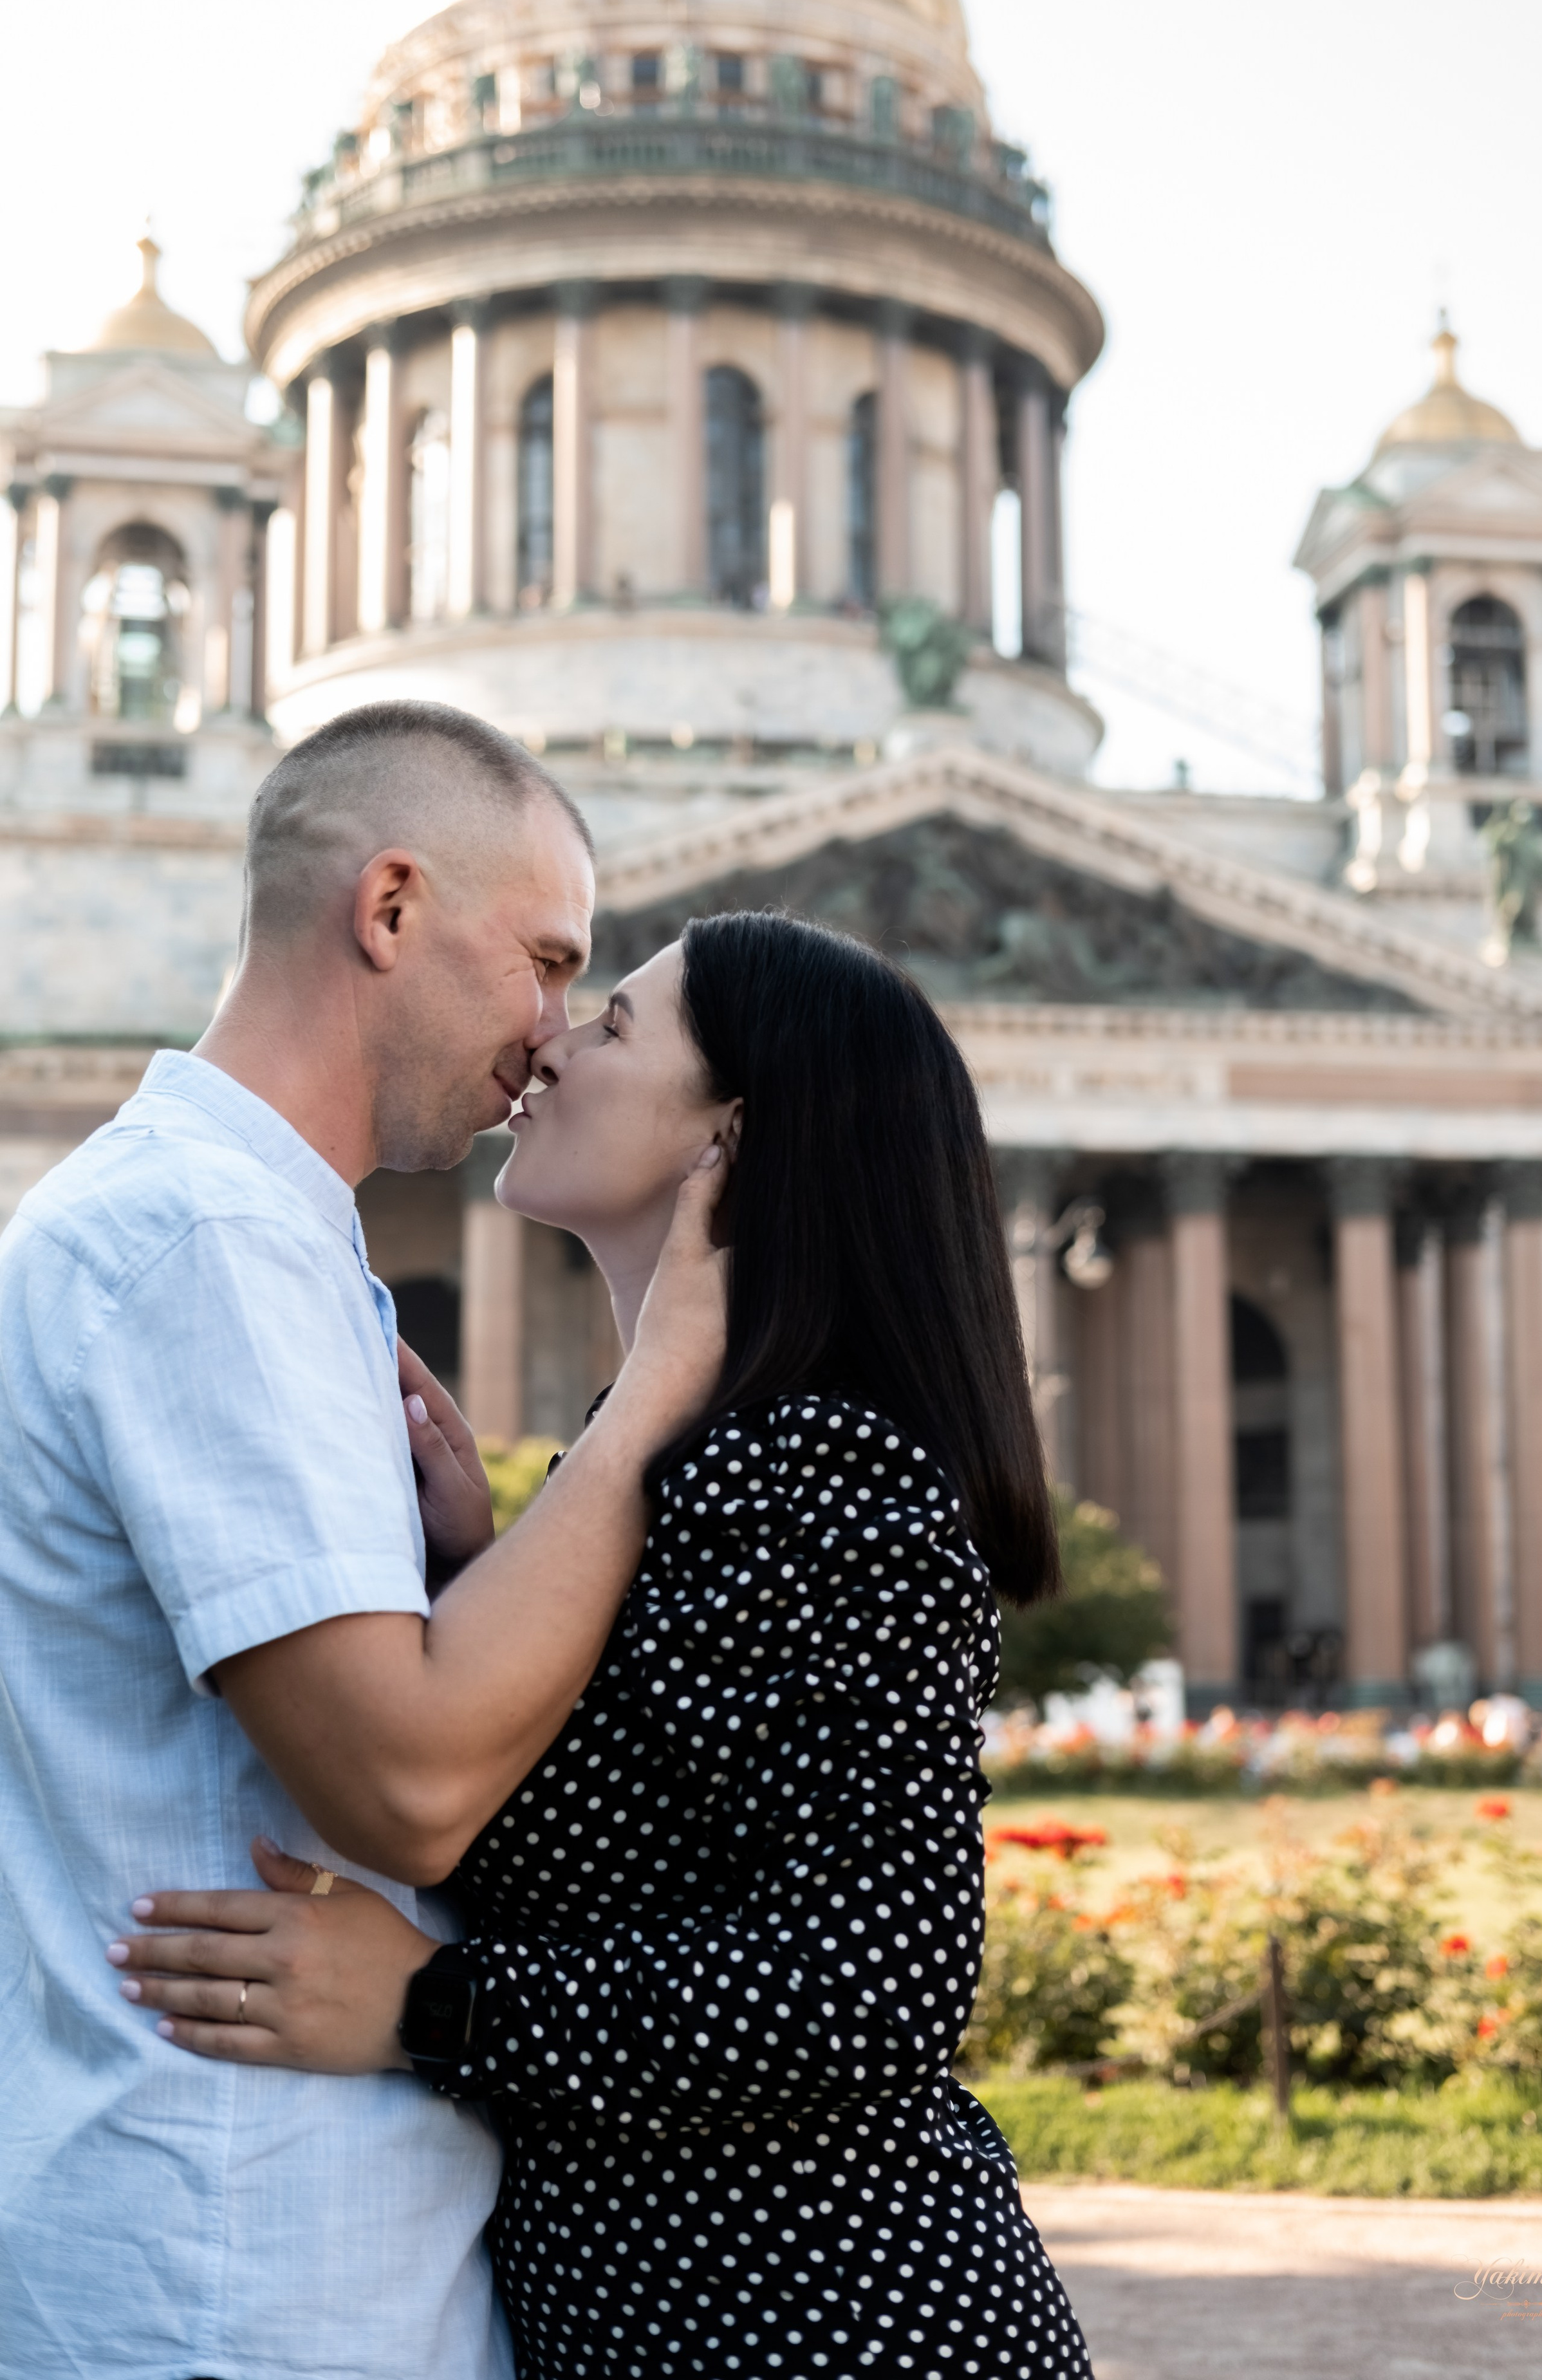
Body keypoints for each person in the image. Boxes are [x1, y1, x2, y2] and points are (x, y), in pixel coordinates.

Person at [110, 913, 1093, 2380]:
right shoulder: (695, 1462)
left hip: (820, 2319)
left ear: (725, 1146)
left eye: (617, 1025)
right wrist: (477, 1573)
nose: (551, 1047)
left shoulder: (816, 1465)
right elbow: (646, 1826)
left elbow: (875, 1982)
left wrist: (432, 2008)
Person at [0, 700, 728, 2380]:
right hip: (238, 2273)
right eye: (545, 963)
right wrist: (658, 1387)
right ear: (390, 908)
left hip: (274, 2249)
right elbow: (401, 1786)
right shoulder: (205, 1239)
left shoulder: (248, 1231)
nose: (551, 1037)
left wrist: (472, 1566)